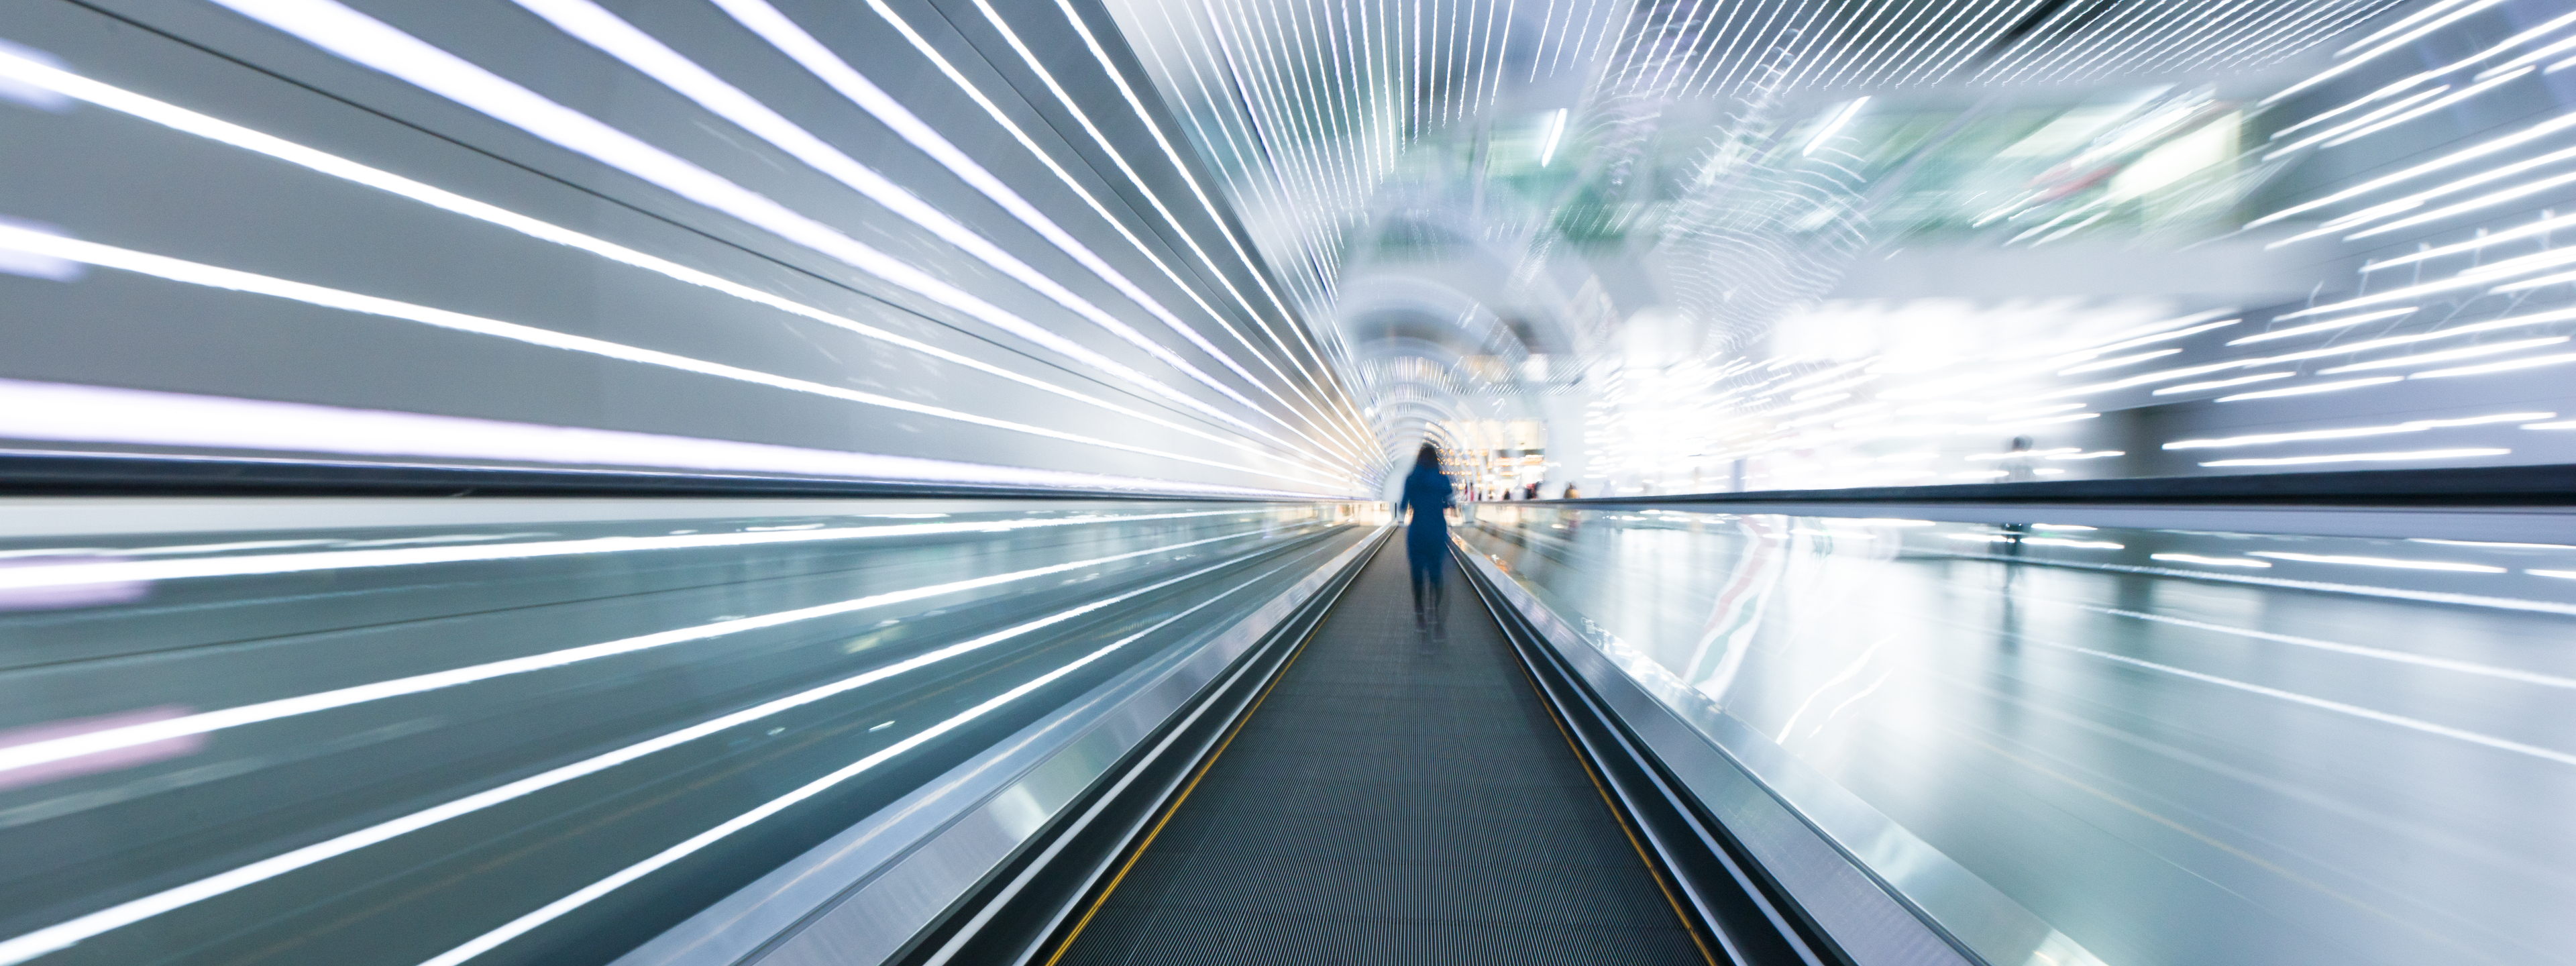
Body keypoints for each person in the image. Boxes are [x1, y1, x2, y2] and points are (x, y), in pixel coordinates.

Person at [1394, 442, 1454, 634]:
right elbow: (1449, 502)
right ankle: (1435, 612)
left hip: (1417, 532)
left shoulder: (1411, 479)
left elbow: (1403, 506)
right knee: (1436, 574)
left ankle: (1420, 614)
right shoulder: (1443, 480)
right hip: (1437, 532)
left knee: (1417, 575)